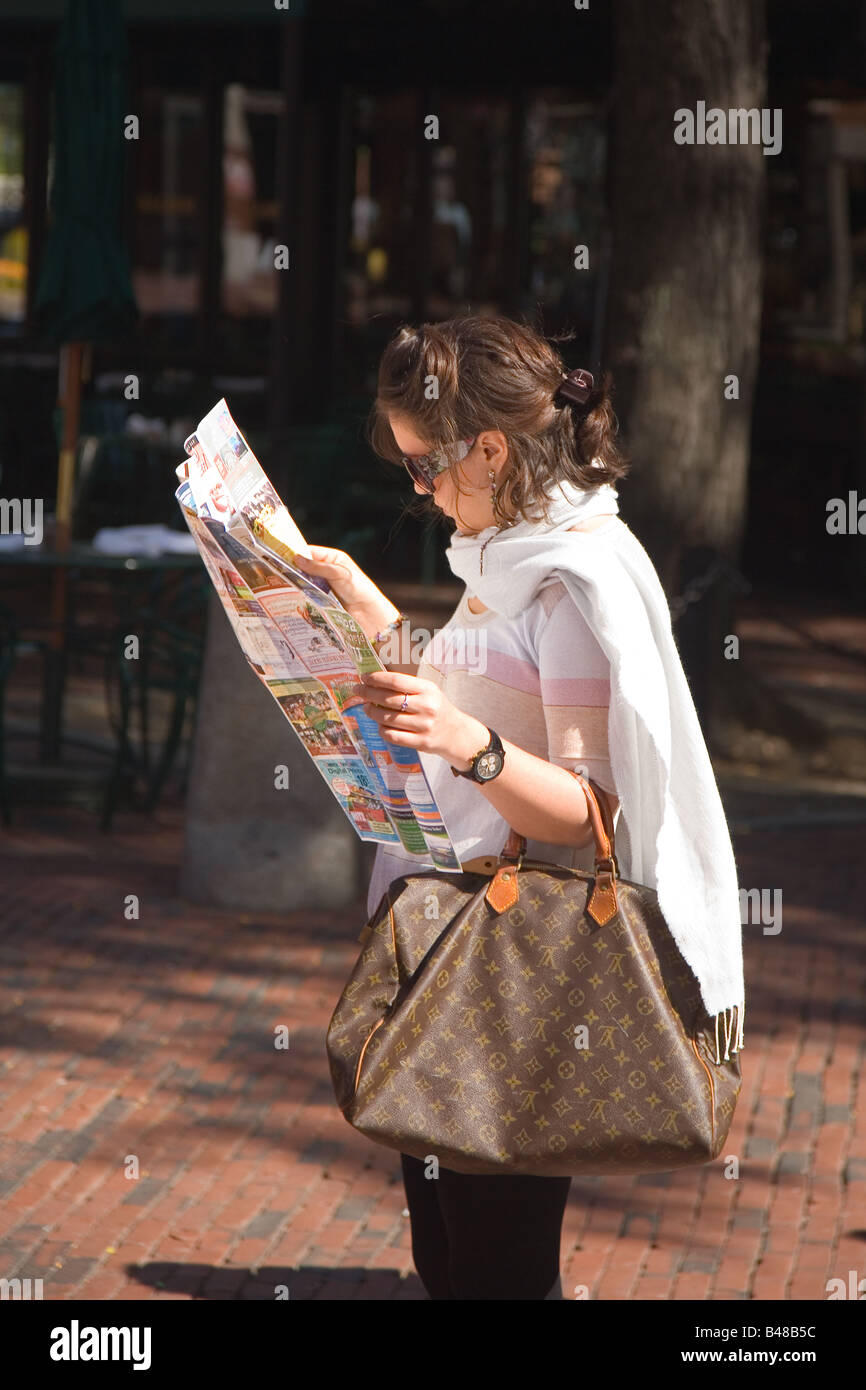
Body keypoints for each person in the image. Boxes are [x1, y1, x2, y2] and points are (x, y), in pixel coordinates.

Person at [294, 314, 744, 1300]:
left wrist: (469, 748)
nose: (416, 487)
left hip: (512, 965)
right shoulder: (507, 554)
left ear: (489, 447)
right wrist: (359, 607)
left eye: (425, 465)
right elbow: (469, 689)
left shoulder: (573, 581)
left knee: (490, 1267)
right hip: (443, 934)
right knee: (447, 1250)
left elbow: (591, 810)